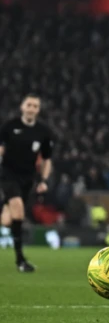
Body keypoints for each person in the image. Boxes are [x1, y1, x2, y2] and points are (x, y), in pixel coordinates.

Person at [0, 94, 54, 272]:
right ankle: (20, 260)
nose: (31, 108)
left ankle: (5, 206)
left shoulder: (43, 132)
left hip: (28, 178)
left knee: (9, 220)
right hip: (8, 174)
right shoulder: (10, 126)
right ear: (22, 107)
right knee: (19, 209)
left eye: (35, 106)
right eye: (29, 105)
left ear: (38, 110)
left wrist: (44, 180)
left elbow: (46, 159)